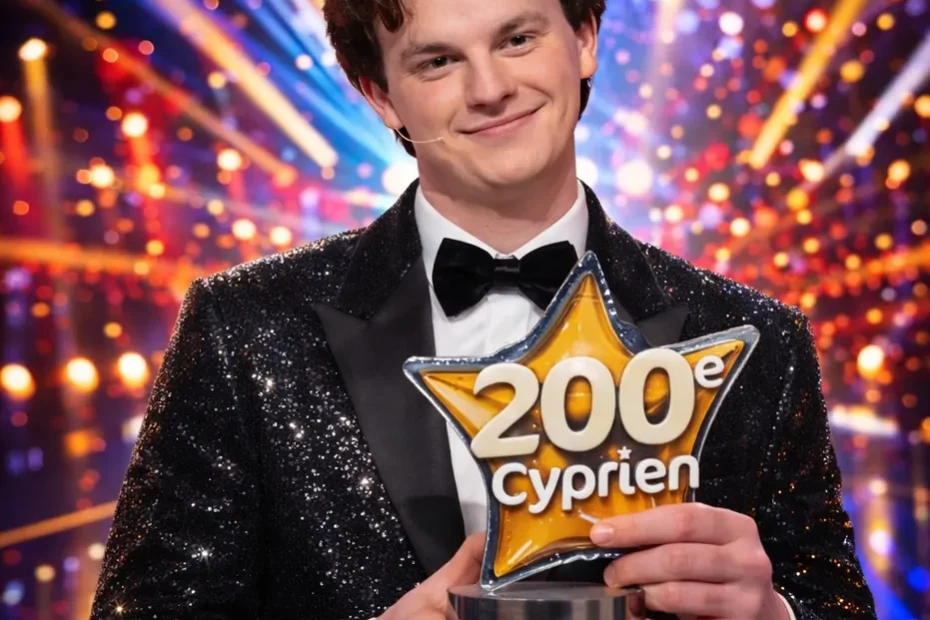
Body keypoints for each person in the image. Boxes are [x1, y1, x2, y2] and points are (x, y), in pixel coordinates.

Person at [90, 0, 877, 618]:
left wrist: (775, 614)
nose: (490, 88)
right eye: (438, 60)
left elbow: (833, 602)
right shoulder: (245, 328)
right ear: (381, 96)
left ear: (585, 39)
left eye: (517, 39)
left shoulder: (756, 338)